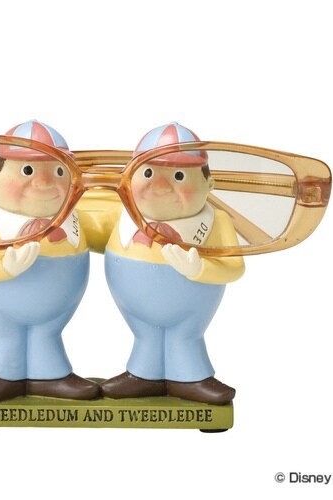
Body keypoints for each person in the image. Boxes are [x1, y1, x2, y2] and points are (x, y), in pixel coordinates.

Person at [101, 122, 245, 404]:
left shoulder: (218, 222)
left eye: (179, 176)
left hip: (191, 310)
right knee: (147, 336)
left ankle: (192, 378)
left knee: (185, 336)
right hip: (136, 309)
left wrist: (200, 269)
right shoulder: (119, 213)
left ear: (209, 185)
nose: (161, 187)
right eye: (148, 173)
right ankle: (142, 375)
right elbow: (80, 235)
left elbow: (235, 267)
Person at [0, 120, 99, 403]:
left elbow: (111, 237)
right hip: (2, 307)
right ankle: (1, 375)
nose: (44, 183)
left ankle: (51, 376)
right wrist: (4, 267)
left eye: (58, 171)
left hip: (57, 307)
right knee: (7, 336)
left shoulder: (74, 216)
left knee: (47, 334)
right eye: (28, 170)